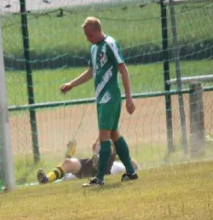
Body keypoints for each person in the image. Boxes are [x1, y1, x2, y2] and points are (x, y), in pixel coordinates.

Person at [60, 16, 138, 186]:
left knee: (104, 138)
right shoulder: (94, 49)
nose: (87, 38)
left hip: (110, 98)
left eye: (89, 34)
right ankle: (131, 172)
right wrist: (71, 84)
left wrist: (129, 98)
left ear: (97, 30)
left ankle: (100, 179)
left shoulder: (110, 44)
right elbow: (90, 73)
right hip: (102, 100)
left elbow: (123, 70)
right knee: (114, 134)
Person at [37, 139, 139, 184]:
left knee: (68, 162)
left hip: (105, 170)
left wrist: (121, 155)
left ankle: (99, 168)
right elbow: (64, 171)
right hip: (87, 168)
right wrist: (68, 155)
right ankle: (46, 180)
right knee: (68, 162)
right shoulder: (69, 176)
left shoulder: (117, 166)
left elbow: (136, 167)